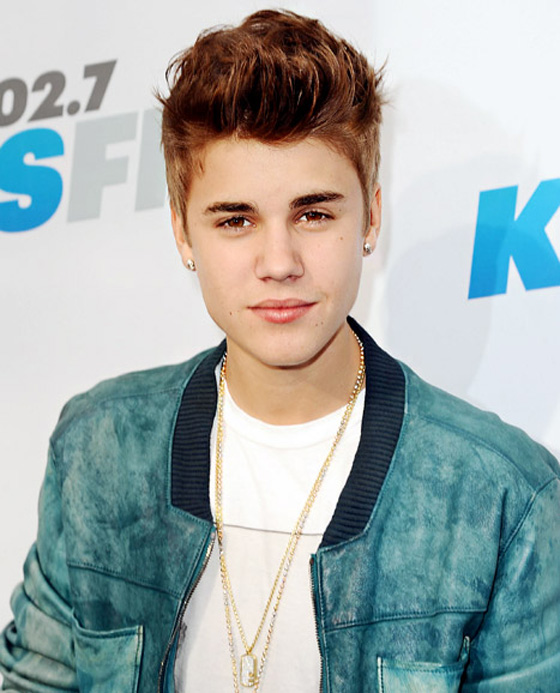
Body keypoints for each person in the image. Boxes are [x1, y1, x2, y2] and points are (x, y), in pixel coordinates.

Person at [1, 9, 559, 693]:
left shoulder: (503, 496)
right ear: (182, 232)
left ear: (371, 216)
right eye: (236, 220)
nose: (279, 262)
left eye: (313, 213)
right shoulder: (98, 450)